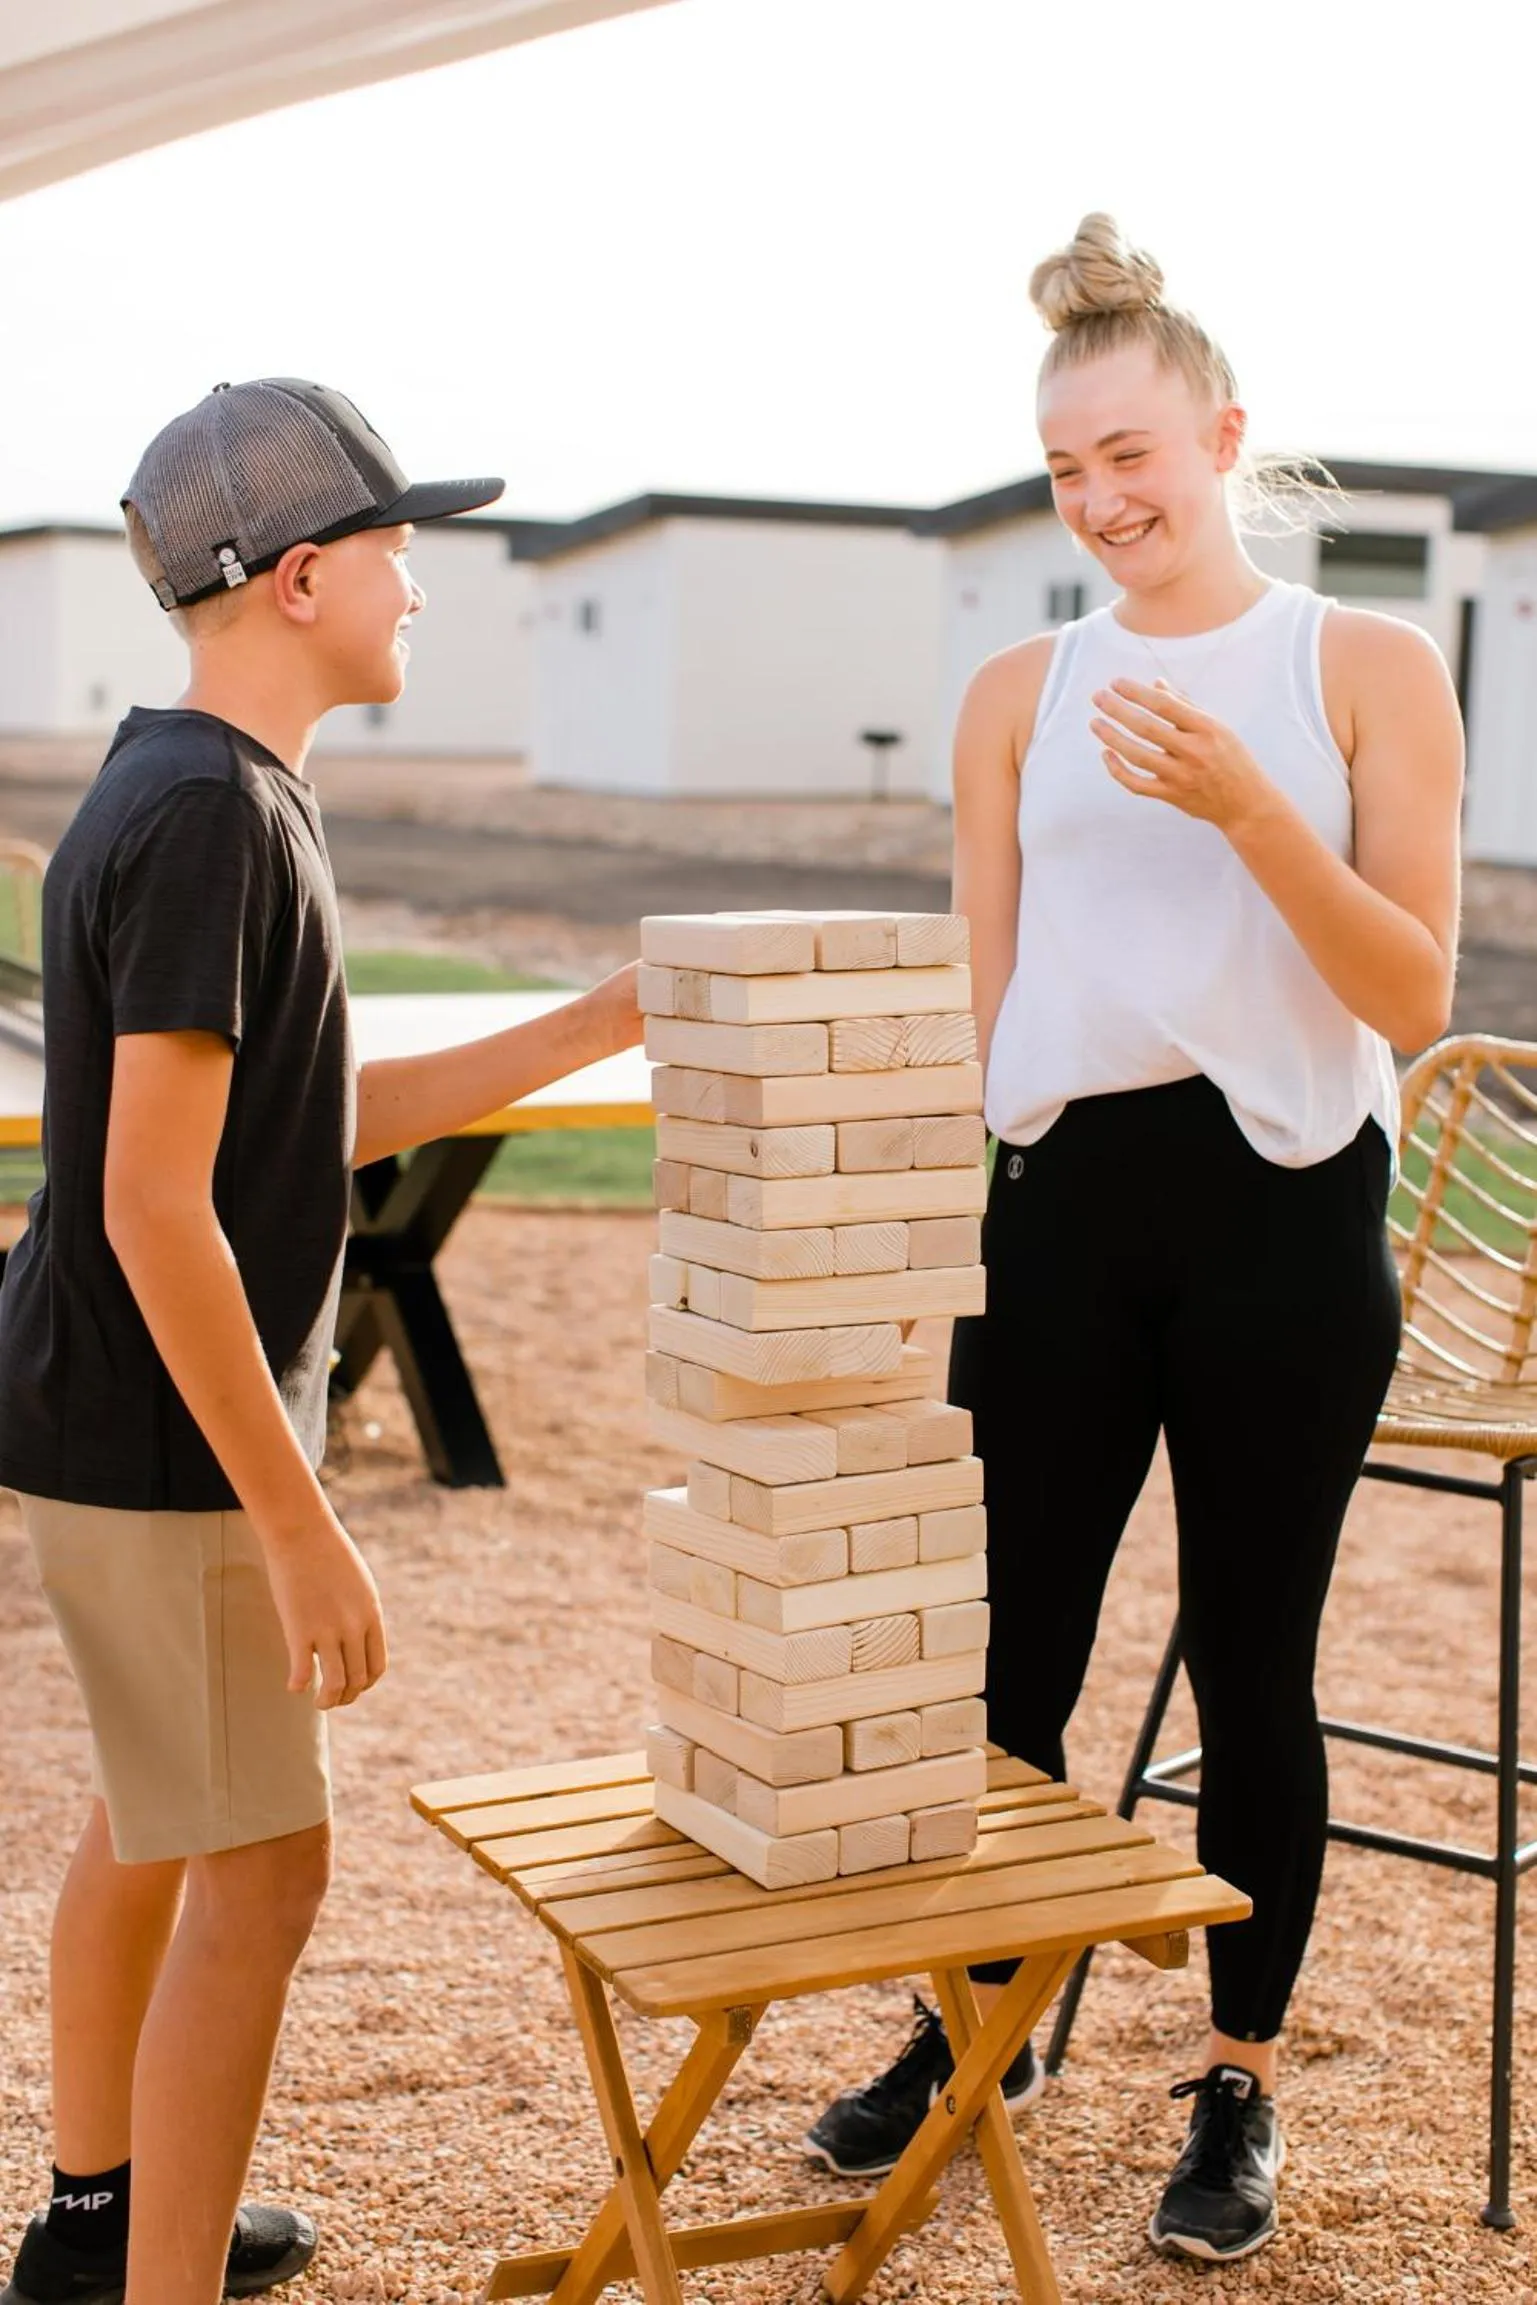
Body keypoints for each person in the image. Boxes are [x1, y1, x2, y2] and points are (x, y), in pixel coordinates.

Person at [803, 216, 1463, 2263]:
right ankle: (966, 2033)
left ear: (1223, 435)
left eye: (1129, 456)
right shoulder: (1019, 689)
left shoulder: (1362, 666)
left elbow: (1413, 991)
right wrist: (957, 1231)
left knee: (1258, 1664)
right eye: (1066, 469)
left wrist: (1255, 813)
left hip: (1285, 1217)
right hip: (1068, 1215)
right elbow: (998, 1010)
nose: (1100, 502)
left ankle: (1239, 2088)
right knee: (1011, 1663)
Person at [0, 379, 643, 2305]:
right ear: (297, 578)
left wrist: (592, 1026)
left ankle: (96, 2228)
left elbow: (306, 1110)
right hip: (170, 1440)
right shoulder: (210, 817)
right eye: (395, 543)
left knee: (151, 1818)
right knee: (264, 1870)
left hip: (105, 1411)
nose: (418, 578)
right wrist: (301, 1517)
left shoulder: (207, 783)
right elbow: (155, 1207)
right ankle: (153, 2286)